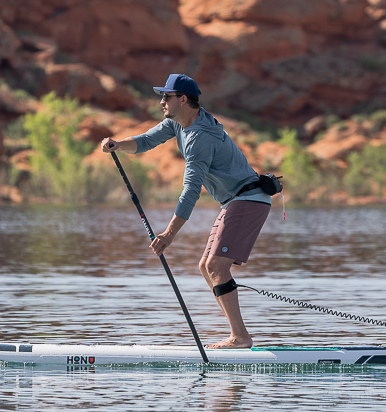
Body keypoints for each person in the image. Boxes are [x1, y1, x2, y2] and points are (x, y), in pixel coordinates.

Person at [100, 74, 270, 349]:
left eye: (166, 97)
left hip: (248, 199)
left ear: (183, 99)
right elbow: (145, 141)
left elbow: (191, 191)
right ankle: (238, 335)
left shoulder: (199, 138)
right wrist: (118, 144)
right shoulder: (177, 123)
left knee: (216, 266)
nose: (161, 101)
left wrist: (168, 234)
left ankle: (240, 337)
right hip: (235, 201)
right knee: (206, 266)